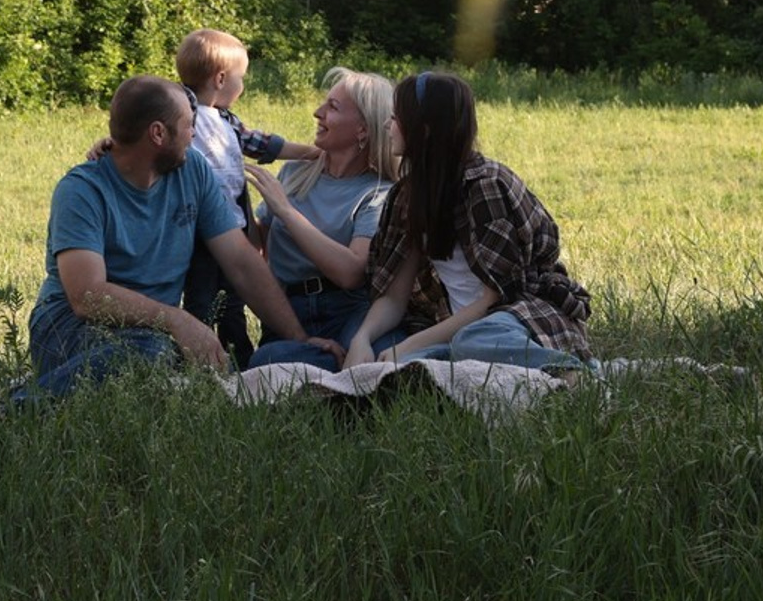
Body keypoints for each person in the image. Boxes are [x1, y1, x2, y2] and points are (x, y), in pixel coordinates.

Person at [27, 76, 342, 392]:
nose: (194, 134)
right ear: (158, 133)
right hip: (70, 327)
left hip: (154, 331)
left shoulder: (193, 169)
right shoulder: (81, 190)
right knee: (153, 354)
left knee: (195, 368)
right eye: (189, 124)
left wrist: (298, 337)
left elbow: (241, 262)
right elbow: (87, 296)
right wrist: (177, 320)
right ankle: (18, 405)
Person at [343, 71, 593, 372]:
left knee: (472, 343)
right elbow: (395, 297)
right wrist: (362, 339)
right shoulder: (407, 196)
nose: (387, 125)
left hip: (519, 320)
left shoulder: (486, 187)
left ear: (423, 130)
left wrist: (410, 344)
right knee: (397, 366)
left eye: (396, 118)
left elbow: (496, 298)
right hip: (454, 330)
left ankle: (578, 375)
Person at [243, 66, 406, 371]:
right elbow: (256, 250)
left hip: (347, 309)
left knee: (387, 351)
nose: (318, 113)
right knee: (266, 361)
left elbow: (351, 273)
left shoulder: (378, 192)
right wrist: (233, 200)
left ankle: (335, 366)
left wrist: (287, 212)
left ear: (363, 129)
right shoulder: (294, 173)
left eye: (332, 107)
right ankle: (338, 367)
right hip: (288, 309)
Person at [176, 28, 319, 367]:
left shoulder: (227, 121)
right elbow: (146, 119)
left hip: (233, 228)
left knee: (233, 298)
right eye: (242, 78)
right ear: (221, 78)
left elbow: (264, 145)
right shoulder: (184, 109)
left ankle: (238, 356)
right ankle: (195, 358)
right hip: (196, 230)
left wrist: (313, 153)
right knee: (201, 297)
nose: (243, 86)